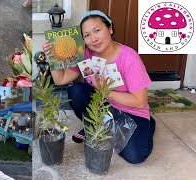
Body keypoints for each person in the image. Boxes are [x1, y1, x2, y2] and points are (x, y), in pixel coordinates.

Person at [42, 10, 156, 164]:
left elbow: (140, 102)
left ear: (110, 29)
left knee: (134, 156)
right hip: (102, 107)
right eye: (87, 35)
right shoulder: (86, 55)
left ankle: (149, 124)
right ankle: (95, 125)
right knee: (76, 91)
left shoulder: (129, 58)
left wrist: (105, 91)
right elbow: (61, 79)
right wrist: (52, 58)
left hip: (131, 111)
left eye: (97, 30)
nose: (93, 39)